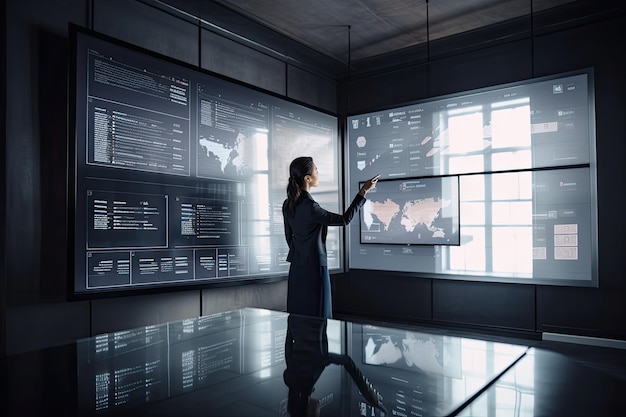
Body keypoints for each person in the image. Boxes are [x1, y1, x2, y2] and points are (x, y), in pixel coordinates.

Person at [282, 156, 379, 318]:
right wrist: (364, 191)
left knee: (298, 314)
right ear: (307, 178)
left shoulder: (288, 204)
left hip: (297, 268)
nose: (318, 174)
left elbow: (289, 238)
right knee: (320, 314)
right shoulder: (311, 207)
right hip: (314, 269)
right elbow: (344, 219)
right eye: (317, 171)